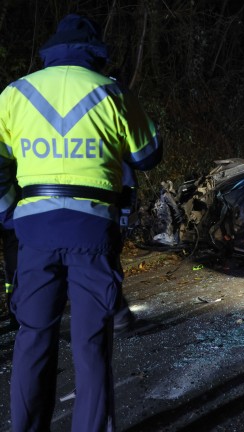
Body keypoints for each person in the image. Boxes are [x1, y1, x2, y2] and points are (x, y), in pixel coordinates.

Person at [0, 14, 162, 431]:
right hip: (92, 230)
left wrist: (7, 213)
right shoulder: (112, 93)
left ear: (52, 50)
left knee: (33, 337)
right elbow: (148, 156)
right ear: (94, 51)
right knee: (91, 343)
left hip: (34, 232)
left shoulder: (15, 94)